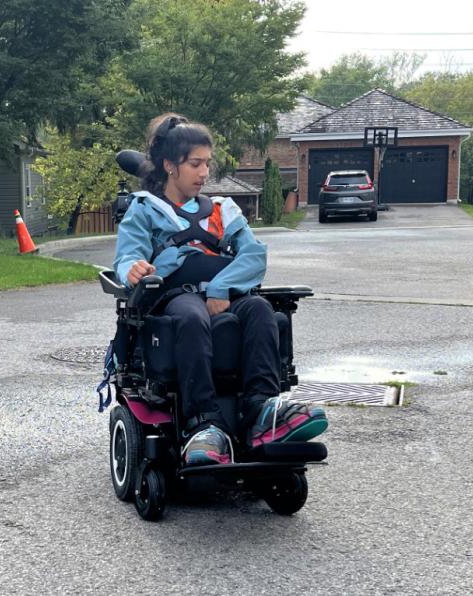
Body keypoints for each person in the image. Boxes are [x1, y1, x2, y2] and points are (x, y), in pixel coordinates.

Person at [113, 113, 328, 467]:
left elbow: (254, 255)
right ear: (170, 165)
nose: (203, 173)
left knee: (260, 310)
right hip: (175, 297)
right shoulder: (145, 209)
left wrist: (221, 287)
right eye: (195, 164)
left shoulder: (222, 210)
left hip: (223, 294)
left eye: (206, 164)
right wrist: (133, 268)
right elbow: (127, 257)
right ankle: (204, 425)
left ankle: (262, 412)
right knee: (191, 315)